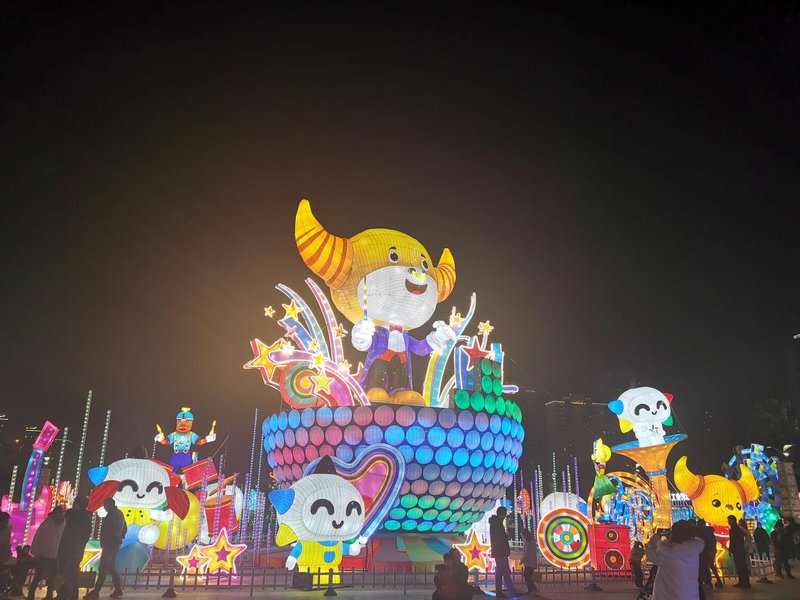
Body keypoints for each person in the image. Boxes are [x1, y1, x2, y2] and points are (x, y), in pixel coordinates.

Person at [645, 521, 704, 600]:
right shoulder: (692, 549)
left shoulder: (669, 554)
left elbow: (652, 555)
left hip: (670, 595)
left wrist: (654, 542)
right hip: (690, 594)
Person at [85, 498, 126, 599]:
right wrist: (120, 538)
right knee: (111, 567)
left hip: (109, 544)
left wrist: (110, 540)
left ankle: (96, 591)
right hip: (114, 544)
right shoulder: (119, 513)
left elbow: (111, 530)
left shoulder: (111, 515)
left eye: (105, 505)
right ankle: (118, 588)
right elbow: (124, 528)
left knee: (103, 567)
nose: (104, 507)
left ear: (109, 505)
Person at [57, 496, 92, 600]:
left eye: (76, 503)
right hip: (66, 548)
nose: (74, 505)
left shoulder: (83, 518)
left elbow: (84, 536)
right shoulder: (71, 514)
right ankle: (62, 595)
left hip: (73, 550)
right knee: (64, 573)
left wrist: (77, 548)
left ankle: (71, 596)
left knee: (70, 575)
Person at [27, 507, 66, 600]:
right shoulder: (47, 524)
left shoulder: (63, 524)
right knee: (39, 575)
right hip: (44, 554)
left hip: (54, 554)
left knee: (51, 576)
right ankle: (32, 594)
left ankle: (48, 595)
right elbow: (38, 537)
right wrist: (36, 551)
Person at [488, 507, 518, 599]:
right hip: (500, 551)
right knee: (505, 572)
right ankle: (512, 592)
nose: (505, 516)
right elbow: (499, 538)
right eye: (505, 514)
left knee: (500, 573)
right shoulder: (497, 524)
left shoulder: (495, 523)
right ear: (502, 514)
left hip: (498, 551)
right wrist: (505, 536)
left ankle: (499, 592)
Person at [696, 518, 722, 589]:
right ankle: (719, 581)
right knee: (711, 566)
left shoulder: (699, 530)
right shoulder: (710, 531)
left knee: (704, 566)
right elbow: (713, 541)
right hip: (711, 550)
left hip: (703, 551)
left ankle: (708, 582)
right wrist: (713, 550)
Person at [727, 514, 750, 588]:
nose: (728, 522)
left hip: (737, 550)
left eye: (729, 520)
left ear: (732, 521)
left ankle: (744, 582)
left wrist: (731, 549)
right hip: (740, 549)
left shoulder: (734, 529)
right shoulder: (738, 529)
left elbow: (733, 540)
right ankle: (744, 582)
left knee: (740, 566)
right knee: (741, 566)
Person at [519, 529, 538, 594]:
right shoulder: (530, 541)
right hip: (530, 561)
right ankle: (533, 588)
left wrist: (522, 560)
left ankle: (531, 589)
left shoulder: (528, 543)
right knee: (528, 575)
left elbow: (527, 553)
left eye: (522, 535)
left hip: (529, 562)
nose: (522, 536)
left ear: (525, 535)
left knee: (526, 575)